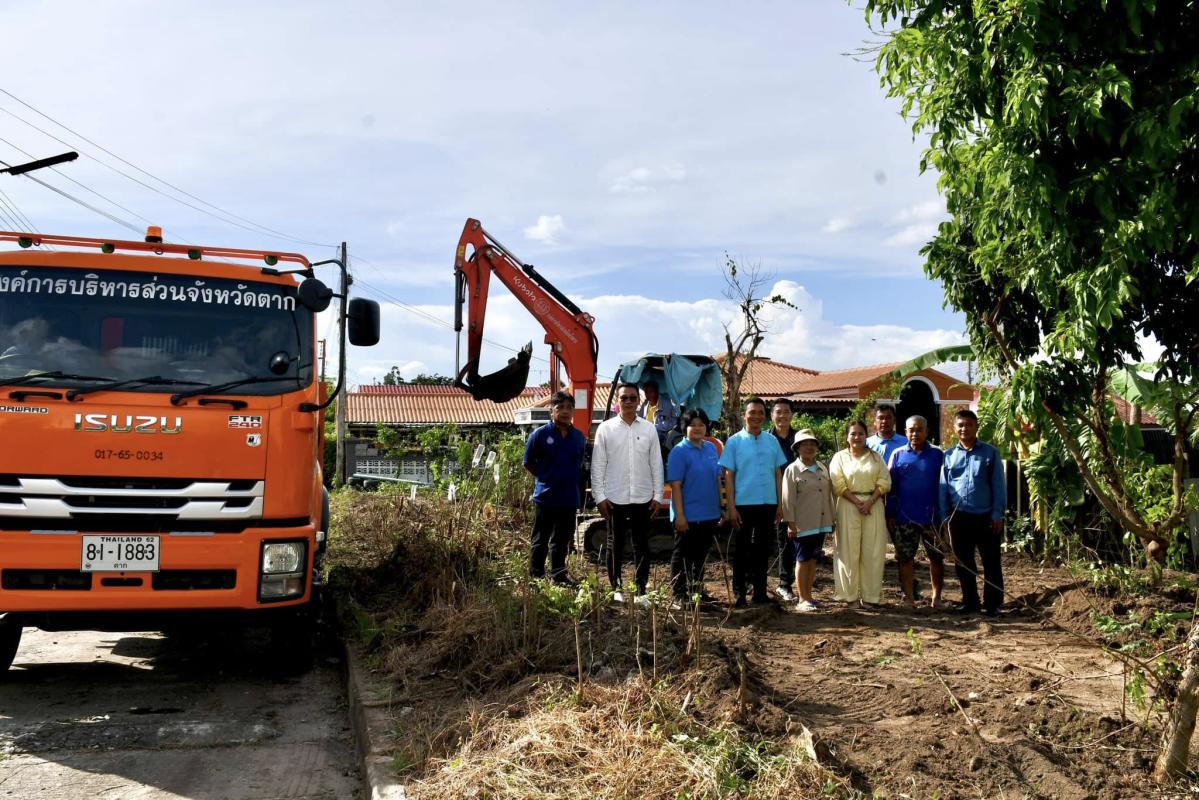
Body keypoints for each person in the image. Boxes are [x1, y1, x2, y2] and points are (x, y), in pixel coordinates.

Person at [591, 381, 664, 607]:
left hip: (643, 495)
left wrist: (658, 496)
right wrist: (599, 496)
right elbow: (598, 465)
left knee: (641, 544)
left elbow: (656, 464)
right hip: (615, 496)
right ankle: (616, 589)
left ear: (639, 401)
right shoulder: (605, 429)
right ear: (617, 401)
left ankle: (641, 591)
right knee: (615, 543)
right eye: (624, 398)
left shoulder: (649, 429)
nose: (629, 402)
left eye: (633, 398)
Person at [719, 396, 787, 607]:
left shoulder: (772, 441)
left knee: (762, 549)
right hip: (743, 504)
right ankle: (739, 593)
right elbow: (729, 476)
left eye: (760, 413)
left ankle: (759, 593)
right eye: (752, 412)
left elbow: (778, 473)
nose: (756, 416)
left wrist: (780, 504)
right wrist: (731, 507)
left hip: (768, 503)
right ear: (744, 415)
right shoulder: (734, 442)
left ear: (765, 417)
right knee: (742, 549)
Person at [939, 409, 1006, 617]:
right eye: (960, 425)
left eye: (969, 425)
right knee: (963, 563)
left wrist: (997, 513)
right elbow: (943, 487)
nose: (964, 429)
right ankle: (970, 602)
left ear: (976, 427)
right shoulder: (949, 456)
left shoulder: (990, 453)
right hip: (959, 518)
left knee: (991, 562)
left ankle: (993, 604)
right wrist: (945, 516)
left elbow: (998, 485)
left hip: (987, 517)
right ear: (954, 428)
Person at [523, 391, 587, 586]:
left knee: (561, 540)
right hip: (546, 497)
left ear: (573, 411)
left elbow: (580, 464)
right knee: (540, 540)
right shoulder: (540, 435)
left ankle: (558, 576)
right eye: (560, 407)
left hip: (569, 498)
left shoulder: (578, 437)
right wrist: (545, 477)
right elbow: (528, 462)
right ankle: (536, 577)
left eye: (569, 408)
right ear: (551, 411)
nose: (565, 412)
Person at [829, 419, 891, 608]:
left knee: (873, 551)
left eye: (861, 433)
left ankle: (870, 596)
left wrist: (869, 502)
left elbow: (885, 481)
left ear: (866, 436)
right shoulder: (839, 457)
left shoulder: (876, 457)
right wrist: (857, 502)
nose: (857, 437)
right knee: (848, 551)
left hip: (873, 506)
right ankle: (849, 596)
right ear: (847, 437)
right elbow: (838, 483)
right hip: (848, 505)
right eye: (853, 434)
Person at [886, 415, 945, 609]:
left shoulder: (938, 454)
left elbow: (946, 484)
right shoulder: (897, 454)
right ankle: (909, 598)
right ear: (905, 432)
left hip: (933, 518)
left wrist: (944, 514)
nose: (915, 433)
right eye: (911, 430)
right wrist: (890, 513)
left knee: (936, 558)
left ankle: (937, 598)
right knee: (905, 558)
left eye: (919, 429)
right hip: (905, 518)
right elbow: (891, 487)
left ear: (927, 432)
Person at [666, 408, 722, 610]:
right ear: (685, 427)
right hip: (687, 515)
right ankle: (679, 594)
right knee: (682, 555)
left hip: (709, 513)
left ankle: (697, 591)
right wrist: (680, 515)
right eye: (693, 425)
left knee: (700, 556)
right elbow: (676, 485)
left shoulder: (711, 448)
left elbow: (717, 479)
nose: (697, 428)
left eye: (701, 424)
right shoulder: (679, 451)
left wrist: (721, 507)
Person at [779, 428, 835, 612]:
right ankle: (802, 599)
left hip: (821, 523)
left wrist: (831, 519)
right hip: (802, 524)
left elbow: (828, 496)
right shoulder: (792, 470)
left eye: (812, 444)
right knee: (802, 560)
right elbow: (787, 500)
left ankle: (809, 596)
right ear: (797, 448)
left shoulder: (822, 468)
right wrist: (791, 524)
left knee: (812, 560)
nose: (809, 447)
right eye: (804, 444)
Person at [769, 400, 799, 602]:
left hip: (797, 496)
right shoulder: (766, 439)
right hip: (769, 495)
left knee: (791, 540)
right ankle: (757, 582)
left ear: (791, 415)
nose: (782, 416)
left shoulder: (799, 438)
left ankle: (787, 583)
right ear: (772, 415)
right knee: (769, 541)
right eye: (778, 412)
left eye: (786, 412)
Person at [638, 380, 677, 446]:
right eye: (646, 392)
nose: (648, 394)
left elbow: (673, 421)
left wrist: (658, 427)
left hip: (661, 434)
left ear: (657, 392)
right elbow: (639, 419)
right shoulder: (645, 405)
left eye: (651, 391)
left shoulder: (667, 404)